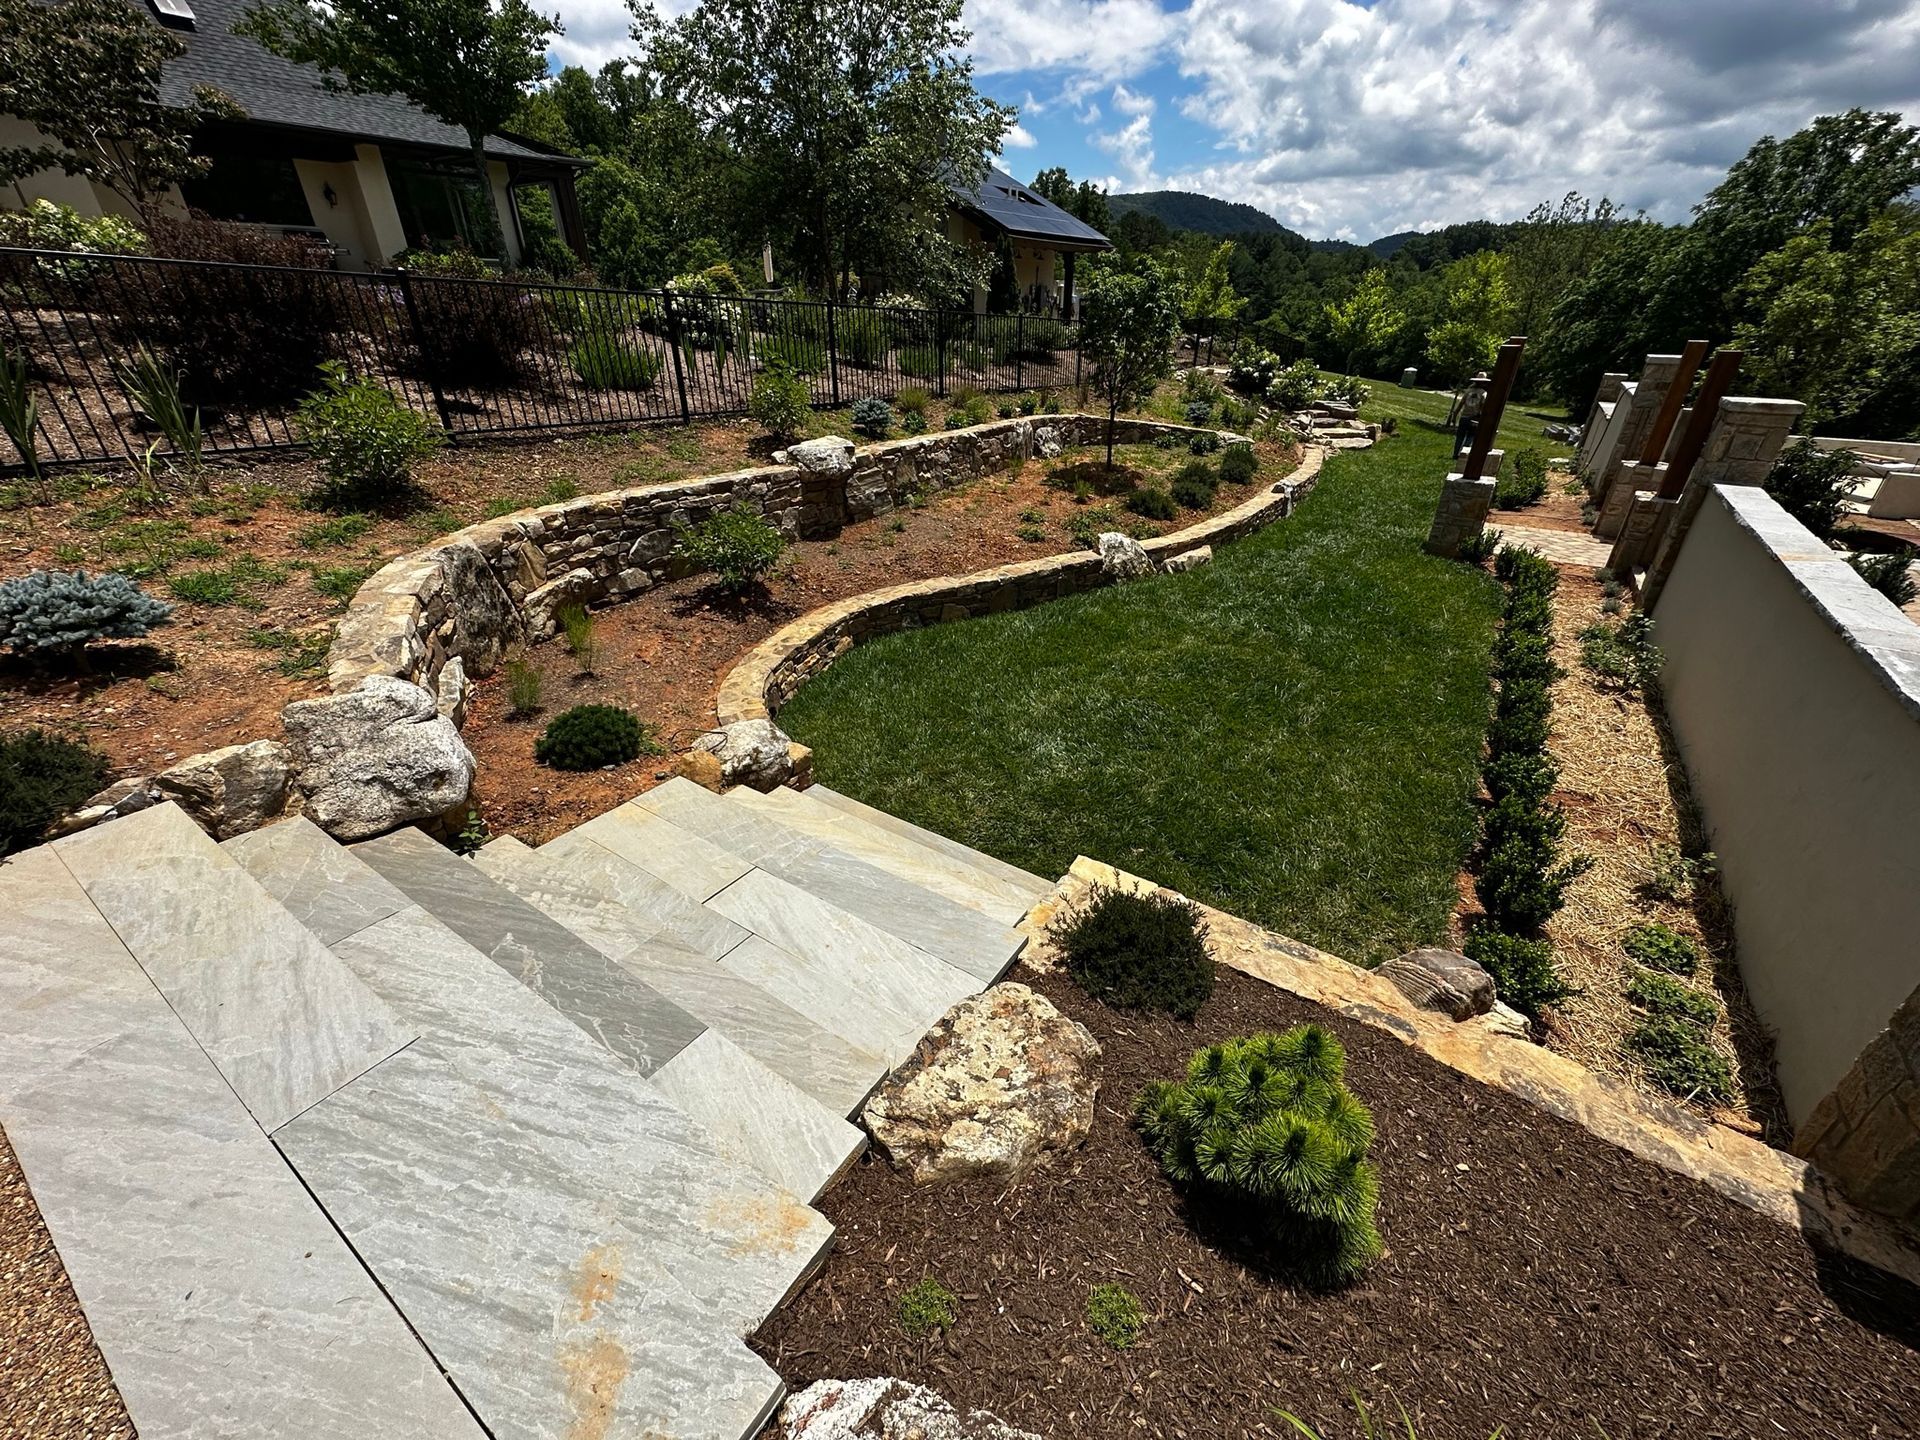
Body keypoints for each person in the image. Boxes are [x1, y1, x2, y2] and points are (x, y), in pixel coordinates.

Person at [1453, 372, 1489, 456]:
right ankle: (1463, 454)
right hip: (1474, 418)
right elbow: (1483, 407)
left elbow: (1461, 404)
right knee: (1470, 436)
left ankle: (1455, 454)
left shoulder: (1468, 391)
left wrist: (1455, 415)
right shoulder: (1483, 393)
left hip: (1464, 416)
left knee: (1460, 436)